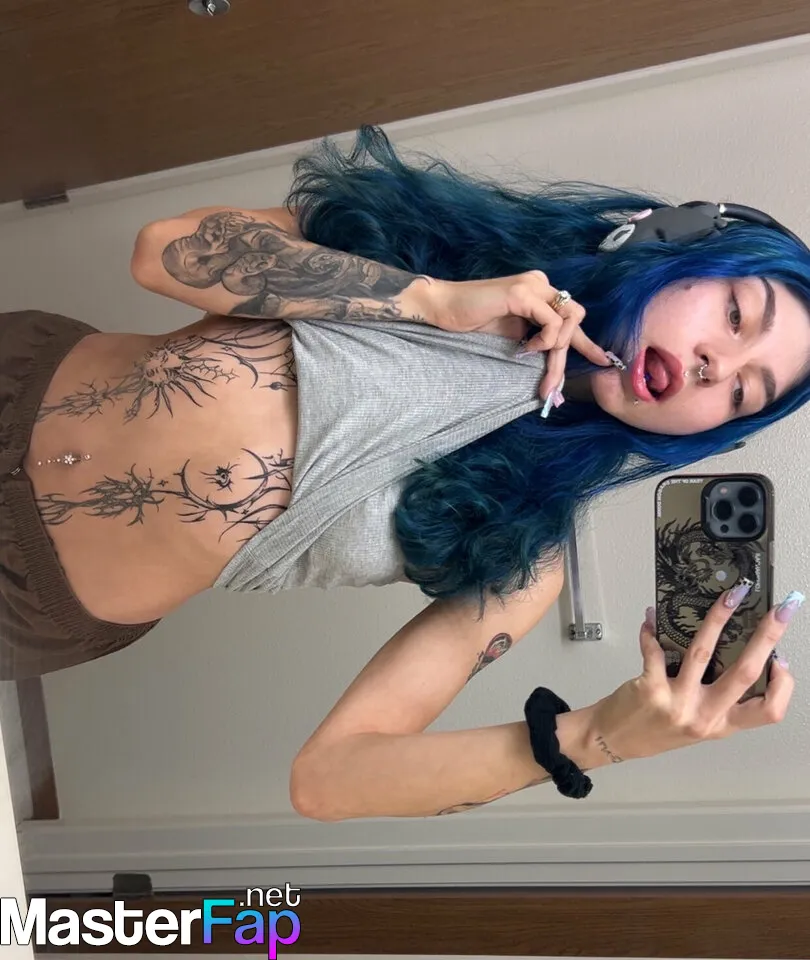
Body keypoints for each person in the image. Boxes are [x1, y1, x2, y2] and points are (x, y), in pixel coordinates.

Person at [0, 126, 806, 820]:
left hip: (24, 592)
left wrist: (598, 736)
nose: (716, 367)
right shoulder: (440, 246)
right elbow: (164, 254)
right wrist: (428, 300)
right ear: (671, 241)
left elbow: (328, 781)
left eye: (742, 393)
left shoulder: (526, 554)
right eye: (736, 315)